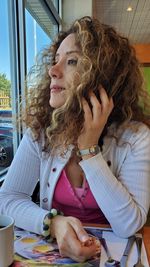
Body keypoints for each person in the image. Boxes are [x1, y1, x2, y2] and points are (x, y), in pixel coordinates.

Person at [0, 16, 150, 262]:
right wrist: (53, 223)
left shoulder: (136, 137)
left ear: (102, 75)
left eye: (71, 61)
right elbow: (7, 199)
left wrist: (89, 150)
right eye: (55, 60)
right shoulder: (41, 131)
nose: (52, 70)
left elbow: (129, 225)